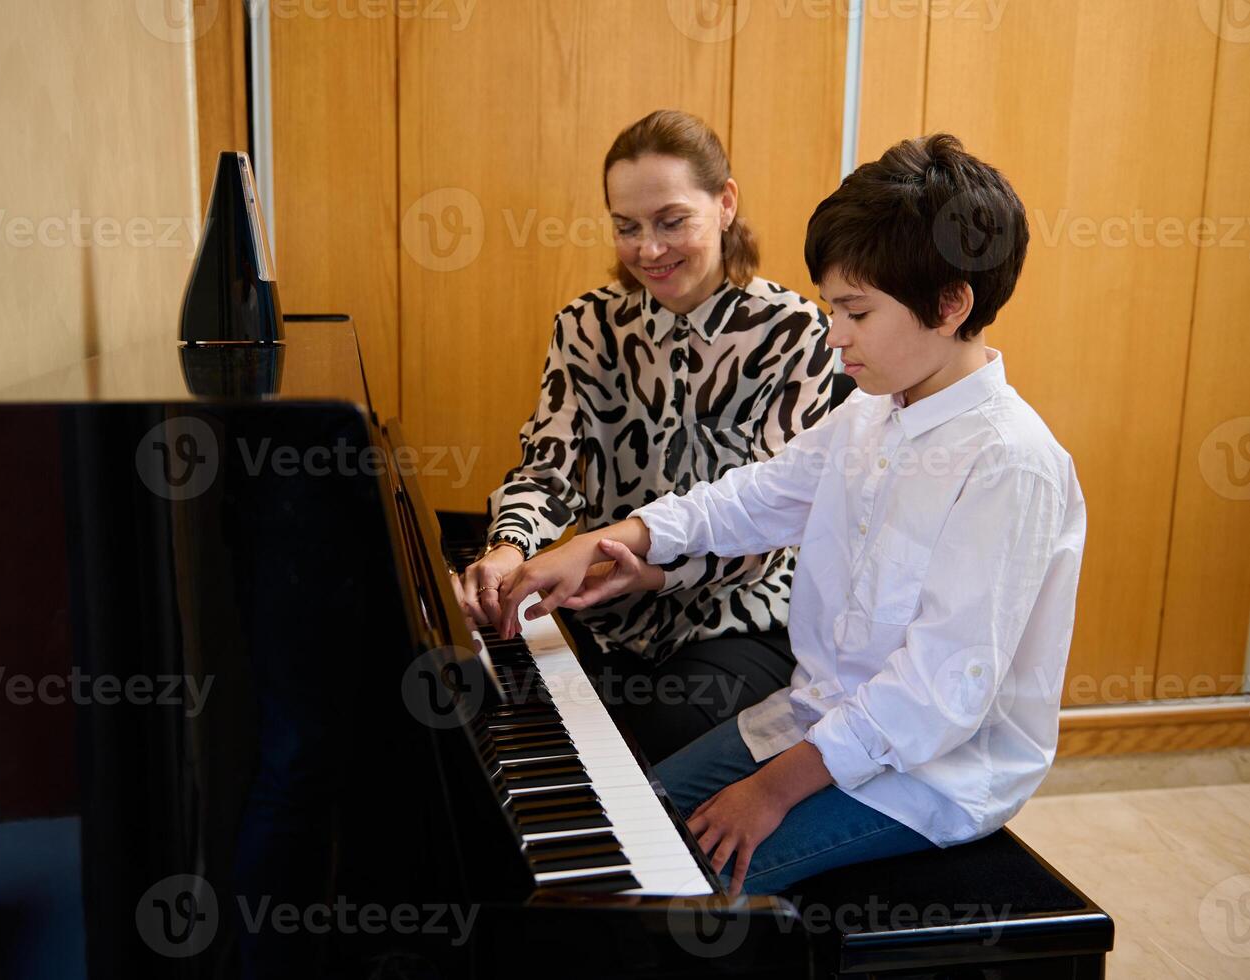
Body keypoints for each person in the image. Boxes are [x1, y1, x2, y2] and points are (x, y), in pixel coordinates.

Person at [495, 134, 1086, 896]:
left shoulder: (1008, 461)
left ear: (949, 305)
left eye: (855, 312)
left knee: (663, 884)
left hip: (929, 775)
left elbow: (938, 694)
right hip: (813, 717)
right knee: (620, 816)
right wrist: (613, 539)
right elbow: (753, 497)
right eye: (830, 308)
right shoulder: (875, 413)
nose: (834, 334)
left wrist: (770, 790)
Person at [454, 110, 832, 764]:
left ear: (725, 203)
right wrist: (508, 548)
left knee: (632, 747)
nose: (648, 250)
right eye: (626, 227)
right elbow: (548, 468)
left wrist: (639, 571)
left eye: (670, 220)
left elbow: (773, 522)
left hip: (736, 618)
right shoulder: (587, 325)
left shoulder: (792, 331)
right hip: (600, 611)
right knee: (480, 714)